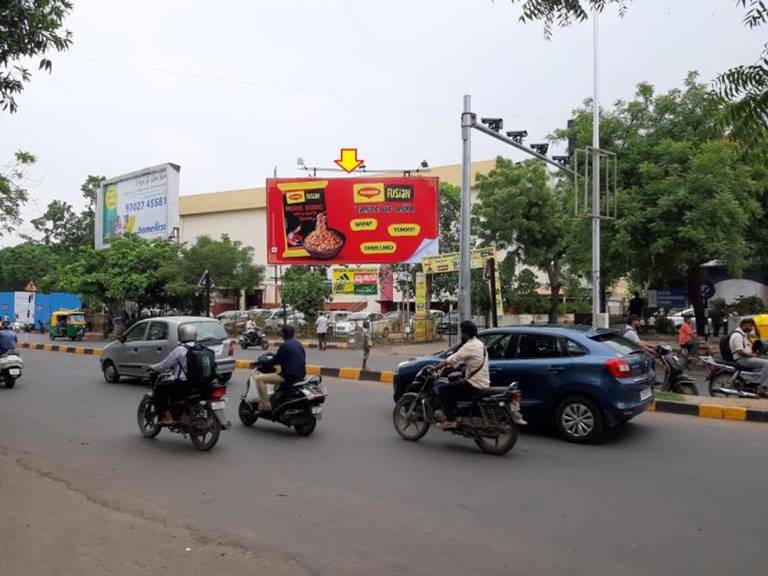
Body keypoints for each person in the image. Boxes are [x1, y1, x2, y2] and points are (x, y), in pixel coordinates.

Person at [432, 320, 489, 430]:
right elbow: (470, 360)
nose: (461, 335)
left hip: (474, 384)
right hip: (482, 382)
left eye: (462, 332)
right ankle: (457, 415)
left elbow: (453, 358)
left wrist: (436, 367)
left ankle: (451, 420)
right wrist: (459, 366)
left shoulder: (469, 346)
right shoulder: (480, 344)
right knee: (454, 387)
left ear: (465, 334)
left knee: (444, 389)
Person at [149, 323, 197, 425]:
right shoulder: (200, 348)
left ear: (182, 335)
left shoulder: (180, 350)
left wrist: (153, 367)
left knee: (160, 390)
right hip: (200, 383)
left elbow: (165, 364)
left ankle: (168, 417)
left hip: (185, 384)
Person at [252, 324, 306, 412]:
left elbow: (275, 361)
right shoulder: (299, 344)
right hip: (301, 375)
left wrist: (261, 362)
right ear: (293, 334)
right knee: (278, 377)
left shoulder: (284, 345)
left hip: (288, 377)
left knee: (259, 379)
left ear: (283, 334)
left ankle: (265, 405)